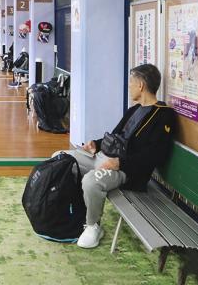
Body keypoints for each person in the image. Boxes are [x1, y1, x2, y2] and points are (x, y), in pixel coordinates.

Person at [53, 64, 177, 249]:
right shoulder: (134, 110)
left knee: (91, 181)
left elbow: (156, 155)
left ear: (141, 85)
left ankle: (93, 226)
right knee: (60, 158)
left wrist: (120, 162)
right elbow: (115, 137)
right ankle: (73, 212)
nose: (129, 87)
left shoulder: (163, 116)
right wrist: (96, 144)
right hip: (105, 158)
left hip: (127, 170)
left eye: (131, 83)